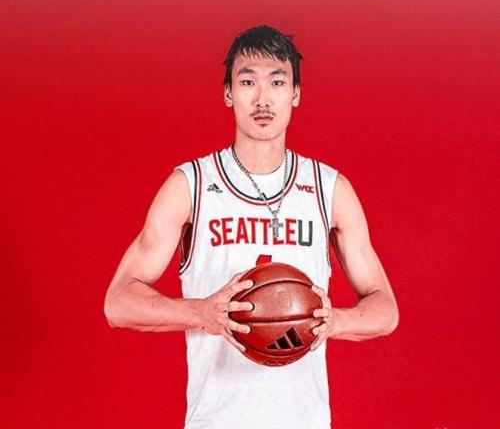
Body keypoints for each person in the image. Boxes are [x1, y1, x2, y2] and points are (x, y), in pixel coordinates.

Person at [103, 24, 399, 429]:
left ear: (295, 93)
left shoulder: (329, 189)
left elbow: (386, 309)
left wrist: (337, 321)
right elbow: (118, 302)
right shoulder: (191, 185)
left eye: (277, 82)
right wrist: (200, 312)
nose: (263, 98)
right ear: (228, 93)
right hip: (215, 421)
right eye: (247, 82)